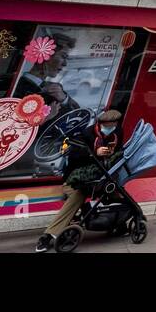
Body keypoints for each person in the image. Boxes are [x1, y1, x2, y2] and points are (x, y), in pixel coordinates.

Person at [35, 108, 122, 252]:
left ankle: (120, 223)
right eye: (107, 126)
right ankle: (49, 236)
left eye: (113, 125)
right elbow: (73, 154)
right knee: (78, 196)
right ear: (100, 124)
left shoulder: (117, 133)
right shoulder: (86, 133)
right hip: (75, 179)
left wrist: (112, 153)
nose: (111, 128)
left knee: (115, 191)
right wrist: (95, 152)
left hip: (99, 179)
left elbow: (119, 149)